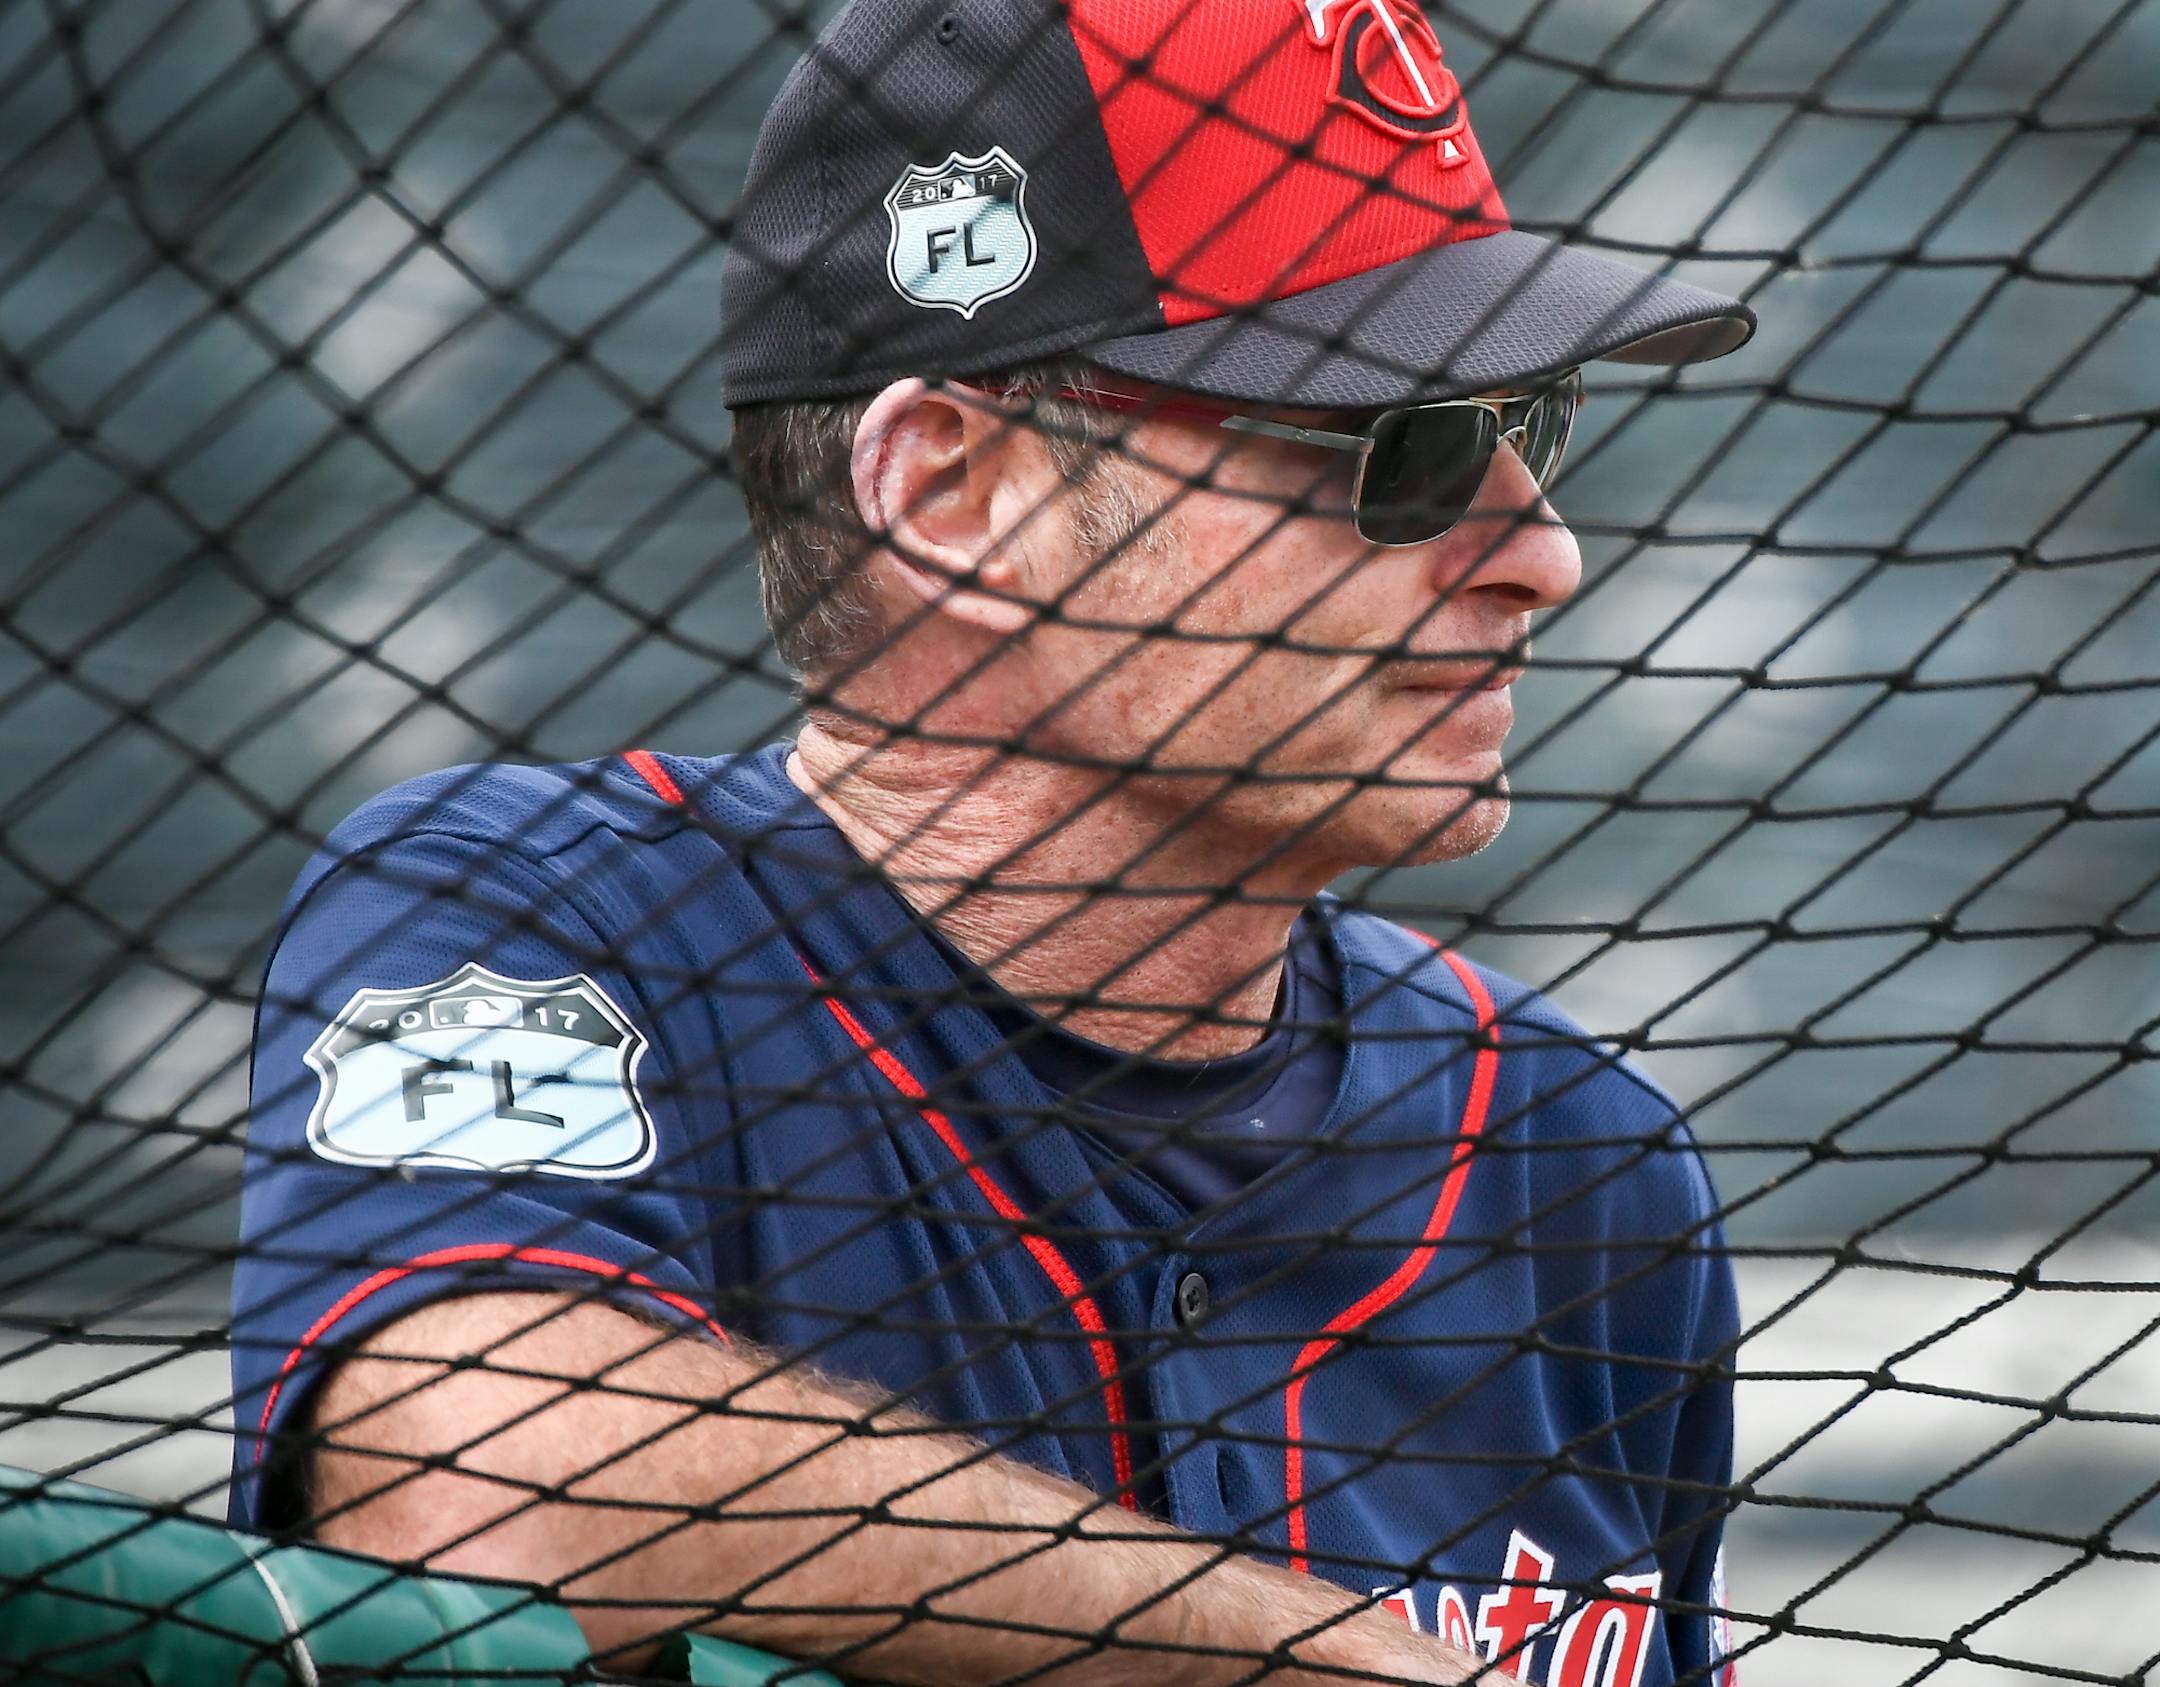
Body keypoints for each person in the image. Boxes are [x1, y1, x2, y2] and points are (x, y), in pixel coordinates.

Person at [229, 1, 1754, 1683]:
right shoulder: (533, 908)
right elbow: (483, 1480)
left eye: (1529, 423)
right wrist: (1340, 1666)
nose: (1543, 559)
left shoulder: (1579, 1159)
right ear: (956, 495)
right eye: (1409, 446)